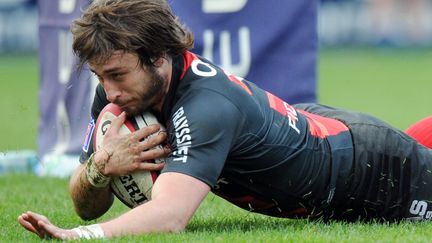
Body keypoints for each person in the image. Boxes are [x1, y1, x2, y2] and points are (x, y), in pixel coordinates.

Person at [18, 0, 432, 240]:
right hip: (323, 134)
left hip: (366, 168)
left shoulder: (206, 106)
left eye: (116, 76)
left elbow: (170, 216)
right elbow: (87, 203)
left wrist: (77, 237)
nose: (108, 92)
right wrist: (98, 169)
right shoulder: (123, 90)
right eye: (99, 77)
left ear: (159, 57)